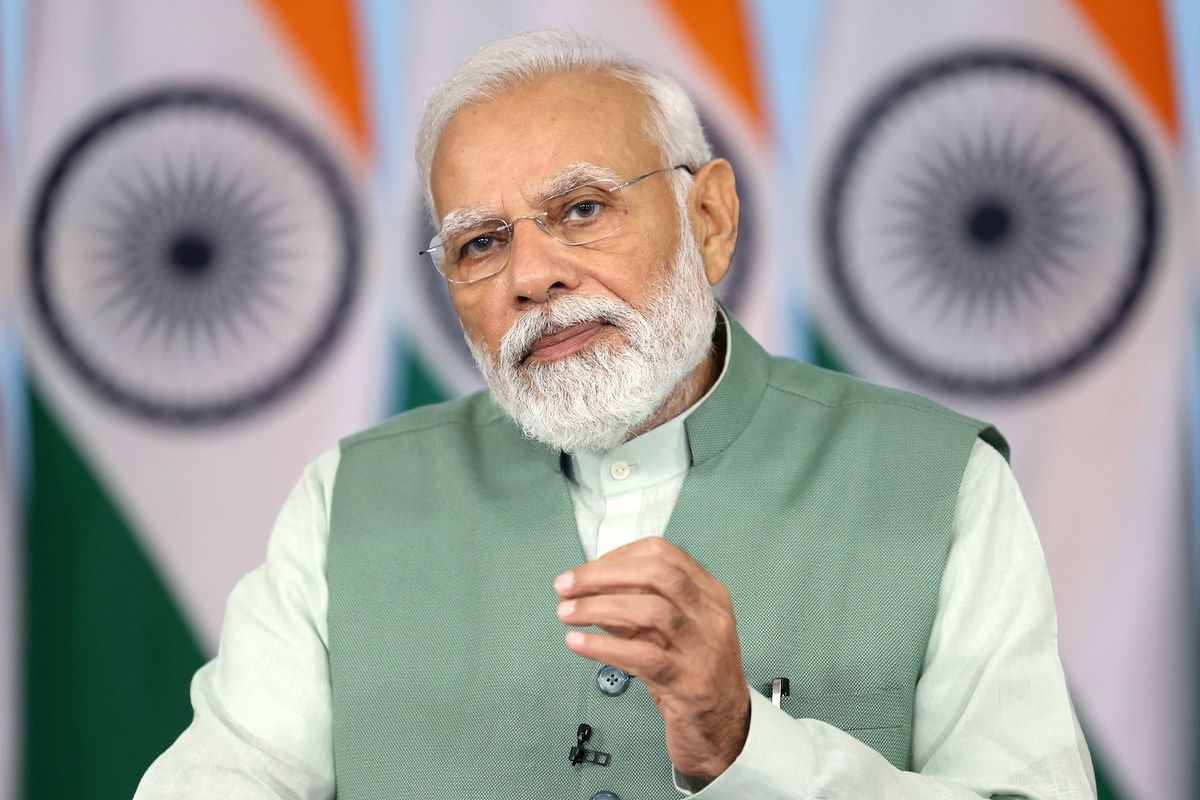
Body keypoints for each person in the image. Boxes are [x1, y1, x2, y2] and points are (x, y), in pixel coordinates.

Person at [137, 30, 1096, 799]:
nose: (532, 275)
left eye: (584, 209)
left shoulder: (939, 479)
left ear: (710, 220)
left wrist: (746, 746)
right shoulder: (349, 497)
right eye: (478, 243)